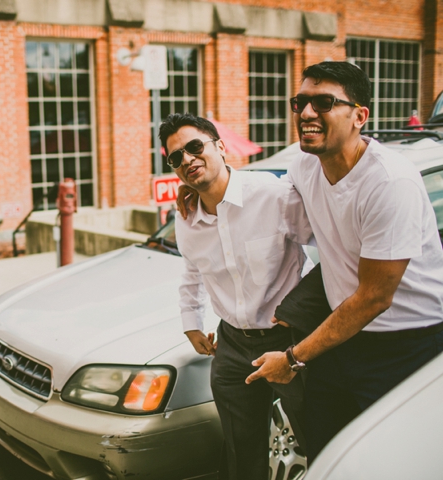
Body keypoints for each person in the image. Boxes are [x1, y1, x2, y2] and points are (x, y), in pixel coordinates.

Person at [246, 61, 443, 462]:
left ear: (359, 116)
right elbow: (267, 200)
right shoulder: (305, 164)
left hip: (408, 343)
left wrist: (292, 358)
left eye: (323, 103)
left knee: (393, 460)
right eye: (300, 102)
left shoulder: (390, 182)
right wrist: (206, 190)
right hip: (343, 336)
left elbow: (374, 297)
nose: (306, 113)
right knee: (326, 447)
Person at [160, 113, 314, 480]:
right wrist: (190, 322)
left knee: (316, 438)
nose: (187, 160)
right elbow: (193, 270)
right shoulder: (186, 215)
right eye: (175, 157)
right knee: (241, 454)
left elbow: (333, 248)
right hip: (230, 347)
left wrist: (307, 310)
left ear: (221, 147)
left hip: (289, 341)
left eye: (195, 147)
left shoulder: (273, 195)